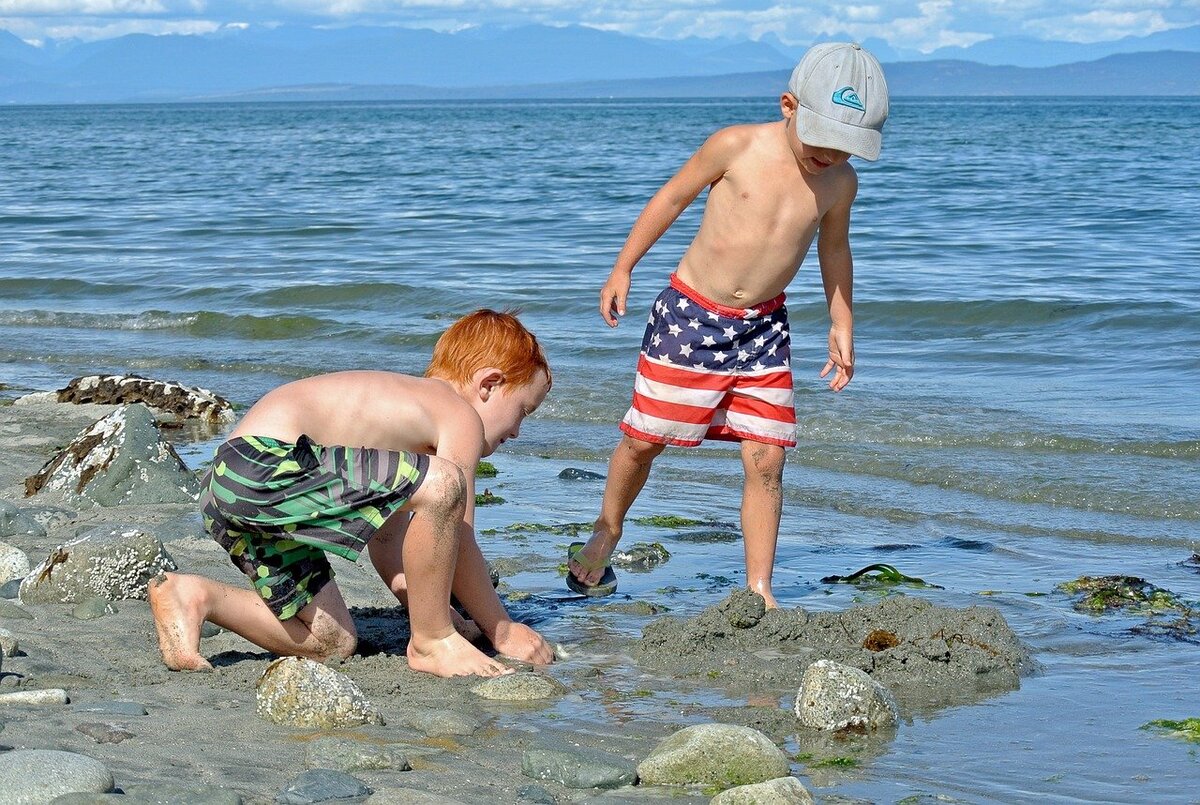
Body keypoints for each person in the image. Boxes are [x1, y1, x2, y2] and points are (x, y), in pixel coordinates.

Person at [567, 43, 889, 608]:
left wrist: (842, 320)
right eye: (823, 140)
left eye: (847, 148)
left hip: (764, 331)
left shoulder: (840, 185)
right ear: (788, 106)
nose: (831, 156)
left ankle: (759, 590)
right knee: (645, 440)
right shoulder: (735, 145)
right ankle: (608, 529)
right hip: (690, 316)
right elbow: (671, 198)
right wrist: (623, 267)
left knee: (767, 456)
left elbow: (834, 251)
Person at [150, 309, 555, 678]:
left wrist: (432, 608)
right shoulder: (457, 412)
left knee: (332, 641)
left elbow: (388, 544)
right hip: (265, 464)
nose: (518, 431)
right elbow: (460, 536)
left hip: (232, 485)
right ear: (489, 383)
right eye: (523, 410)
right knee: (448, 483)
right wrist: (501, 629)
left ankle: (196, 596)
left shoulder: (405, 435)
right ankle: (432, 644)